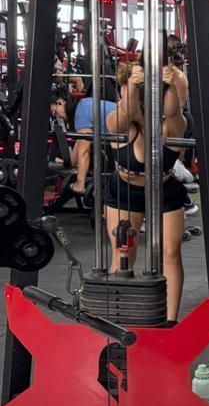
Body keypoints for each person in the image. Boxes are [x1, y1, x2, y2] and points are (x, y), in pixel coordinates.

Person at [104, 58, 190, 323]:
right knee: (123, 252)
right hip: (125, 192)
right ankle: (118, 319)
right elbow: (126, 109)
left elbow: (173, 110)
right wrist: (133, 81)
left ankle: (170, 322)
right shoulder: (118, 124)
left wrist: (170, 83)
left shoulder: (174, 125)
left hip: (165, 190)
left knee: (170, 253)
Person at [50, 88, 117, 196]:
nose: (57, 116)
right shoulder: (83, 105)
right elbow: (80, 140)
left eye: (55, 112)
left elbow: (84, 152)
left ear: (61, 103)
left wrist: (80, 183)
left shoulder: (80, 114)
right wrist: (69, 163)